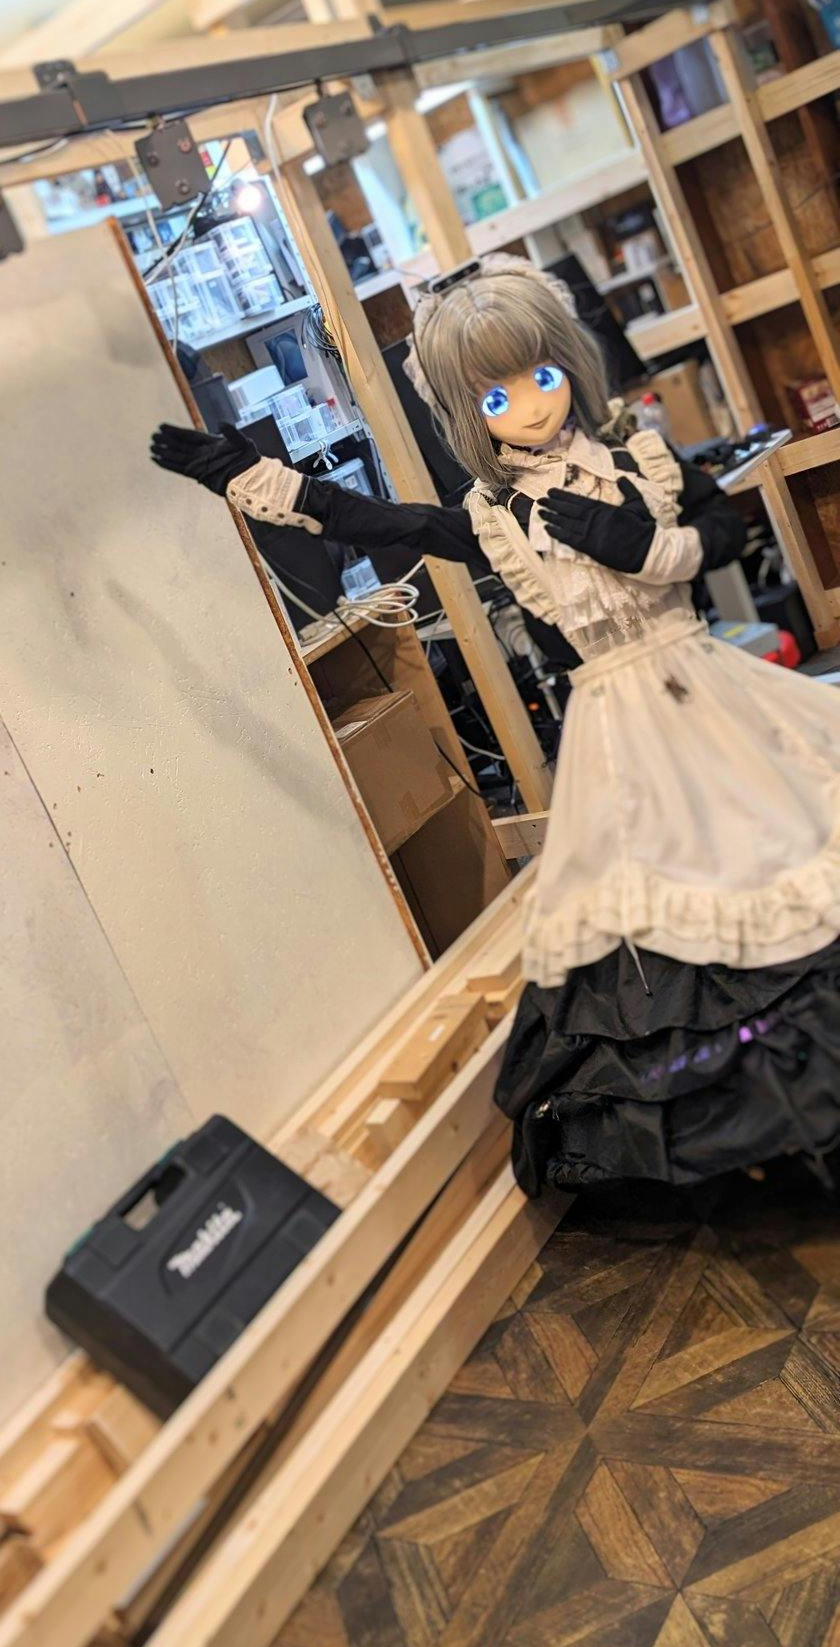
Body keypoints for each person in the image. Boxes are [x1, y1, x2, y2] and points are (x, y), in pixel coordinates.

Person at [151, 256, 840, 1196]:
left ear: (572, 366)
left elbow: (727, 531)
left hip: (709, 691)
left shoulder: (640, 460)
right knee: (662, 913)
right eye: (497, 397)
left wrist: (647, 548)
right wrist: (253, 477)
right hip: (616, 732)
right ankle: (761, 1127)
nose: (532, 406)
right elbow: (378, 522)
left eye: (543, 376)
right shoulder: (493, 518)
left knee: (779, 857)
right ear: (467, 415)